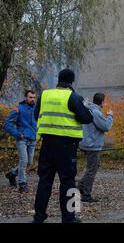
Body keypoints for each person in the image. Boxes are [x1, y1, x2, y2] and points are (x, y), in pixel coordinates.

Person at [33, 69, 93, 223]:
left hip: (47, 144)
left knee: (44, 181)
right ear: (72, 82)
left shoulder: (45, 95)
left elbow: (36, 115)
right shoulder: (72, 97)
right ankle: (69, 217)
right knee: (68, 181)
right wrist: (85, 106)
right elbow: (87, 118)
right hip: (67, 146)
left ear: (58, 80)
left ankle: (38, 217)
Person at [78, 93, 113, 203]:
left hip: (85, 143)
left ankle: (81, 186)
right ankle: (86, 194)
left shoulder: (87, 109)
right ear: (102, 102)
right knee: (92, 170)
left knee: (94, 166)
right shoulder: (96, 112)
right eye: (104, 101)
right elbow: (106, 127)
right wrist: (110, 116)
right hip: (92, 145)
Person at [4, 90, 38, 193]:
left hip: (32, 139)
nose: (32, 99)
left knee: (29, 163)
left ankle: (12, 174)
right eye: (30, 97)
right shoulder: (18, 109)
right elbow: (8, 124)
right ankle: (22, 184)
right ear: (25, 98)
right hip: (22, 139)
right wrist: (18, 134)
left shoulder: (36, 109)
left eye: (34, 97)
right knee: (24, 161)